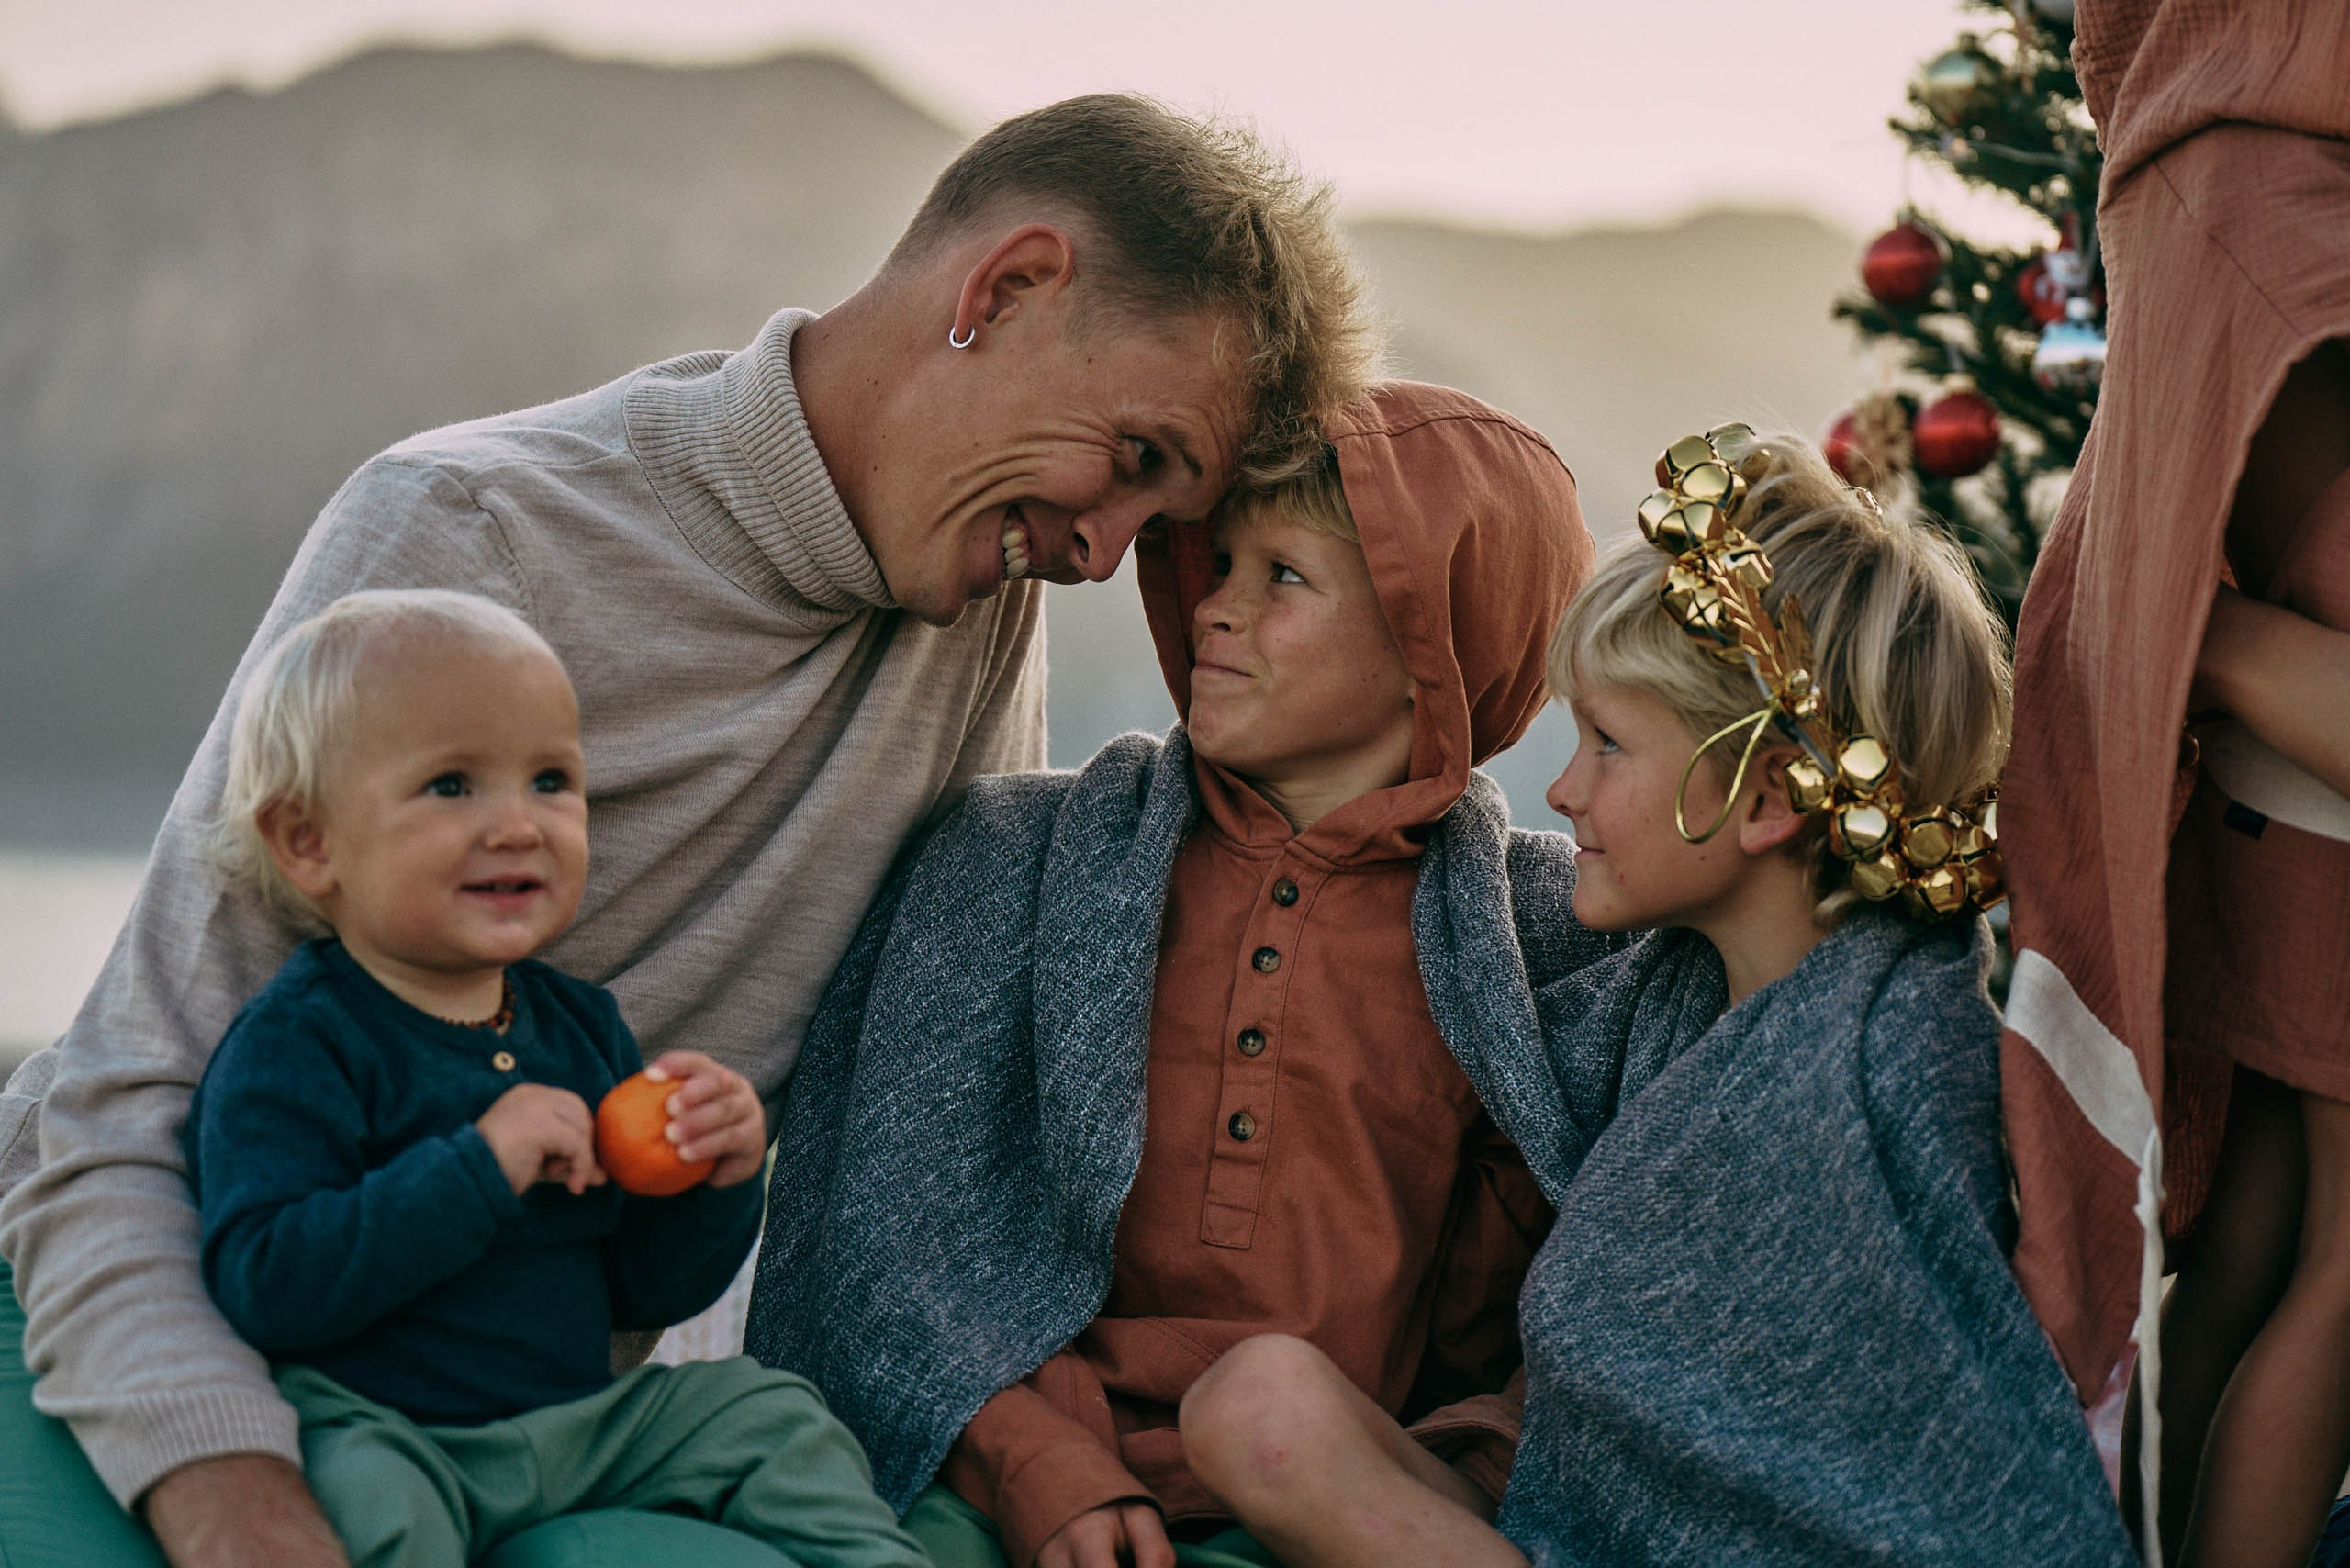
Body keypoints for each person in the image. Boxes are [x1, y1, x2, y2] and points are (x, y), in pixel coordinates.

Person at [0, 93, 1376, 1568]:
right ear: (1006, 290)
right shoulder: (464, 530)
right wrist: (230, 1496)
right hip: (172, 1335)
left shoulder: (980, 614)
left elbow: (929, 1145)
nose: (1108, 554)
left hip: (544, 1409)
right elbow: (120, 1105)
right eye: (1134, 456)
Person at [1176, 429, 2134, 1565]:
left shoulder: (1881, 1073)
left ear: (1767, 794)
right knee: (1258, 1408)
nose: (1561, 788)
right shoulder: (1679, 992)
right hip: (1574, 1524)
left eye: (1609, 743)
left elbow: (1897, 1461)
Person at [745, 382, 1610, 1568]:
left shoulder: (1547, 943)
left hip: (1320, 1506)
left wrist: (1445, 1485)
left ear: (1433, 640)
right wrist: (1032, 1461)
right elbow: (883, 1235)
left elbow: (1586, 1320)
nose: (1216, 608)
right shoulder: (1011, 860)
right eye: (1220, 563)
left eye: (1283, 577)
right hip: (995, 1472)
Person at [185, 589, 925, 1568]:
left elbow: (642, 1285)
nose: (517, 825)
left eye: (549, 781)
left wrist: (717, 1172)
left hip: (586, 1424)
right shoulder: (301, 1039)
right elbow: (266, 1281)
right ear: (310, 842)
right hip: (396, 1430)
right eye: (452, 786)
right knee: (362, 1503)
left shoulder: (578, 1026)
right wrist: (478, 1168)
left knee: (766, 1413)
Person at [1995, 4, 2350, 1564]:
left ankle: (2137, 1533)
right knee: (2349, 1272)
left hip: (2276, 774)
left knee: (2271, 1216)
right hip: (2326, 753)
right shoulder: (2287, 180)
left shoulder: (2195, 160)